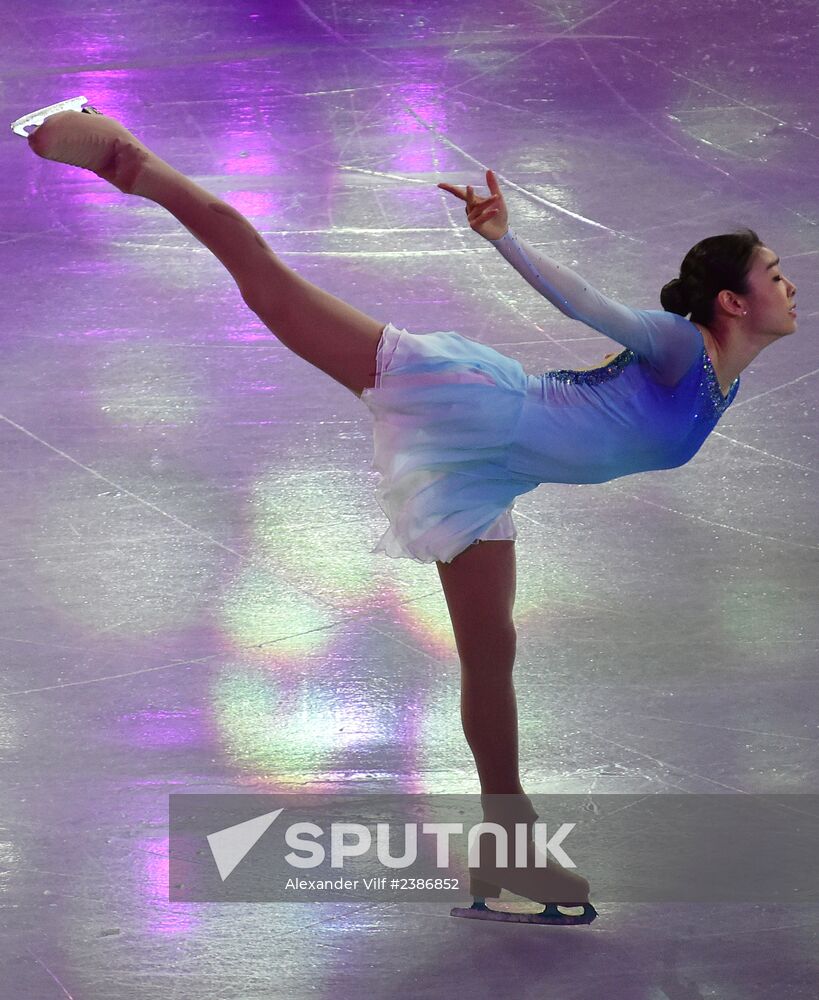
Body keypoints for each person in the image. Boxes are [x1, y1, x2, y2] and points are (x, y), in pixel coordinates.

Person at [21, 106, 797, 926]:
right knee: (270, 288)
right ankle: (124, 153)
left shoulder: (726, 380)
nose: (788, 284)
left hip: (491, 473)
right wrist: (502, 238)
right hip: (468, 405)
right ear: (730, 302)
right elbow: (586, 305)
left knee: (489, 656)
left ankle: (509, 851)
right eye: (773, 273)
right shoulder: (682, 347)